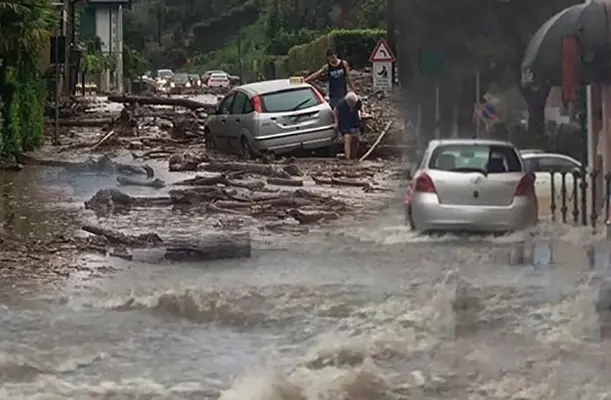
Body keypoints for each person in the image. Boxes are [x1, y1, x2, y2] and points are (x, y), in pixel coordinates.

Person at [333, 92, 362, 160]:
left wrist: (362, 113)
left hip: (354, 122)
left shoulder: (358, 102)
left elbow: (360, 109)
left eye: (353, 103)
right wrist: (336, 122)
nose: (352, 104)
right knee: (347, 138)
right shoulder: (341, 103)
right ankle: (347, 157)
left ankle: (354, 156)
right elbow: (335, 111)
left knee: (356, 139)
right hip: (345, 123)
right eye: (351, 103)